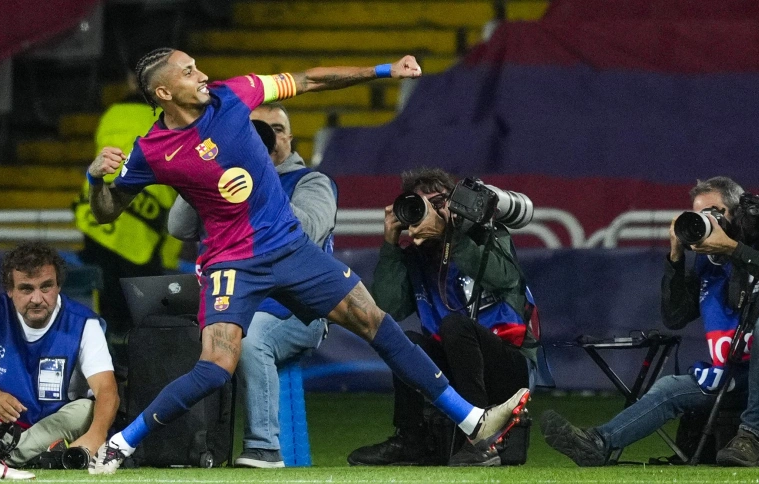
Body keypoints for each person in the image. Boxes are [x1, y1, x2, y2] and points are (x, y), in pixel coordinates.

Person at [85, 48, 529, 474]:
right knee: (215, 367)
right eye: (187, 72)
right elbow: (107, 209)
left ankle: (471, 420)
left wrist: (383, 70)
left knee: (374, 320)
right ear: (163, 93)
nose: (201, 75)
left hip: (292, 250)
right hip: (232, 265)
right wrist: (94, 179)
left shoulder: (234, 94)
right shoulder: (153, 151)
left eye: (197, 66)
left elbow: (310, 79)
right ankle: (119, 445)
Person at [540, 176, 759, 467]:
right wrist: (675, 257)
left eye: (714, 212)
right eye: (698, 215)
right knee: (671, 387)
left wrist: (733, 249)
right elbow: (675, 317)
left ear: (736, 213)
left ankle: (752, 437)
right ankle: (597, 444)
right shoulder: (710, 261)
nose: (707, 220)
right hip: (753, 375)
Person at [167, 102, 335, 468]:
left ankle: (264, 448)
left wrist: (259, 176)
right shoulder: (225, 180)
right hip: (232, 302)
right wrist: (204, 171)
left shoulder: (311, 181)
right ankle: (183, 449)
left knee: (251, 336)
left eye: (276, 129)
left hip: (297, 310)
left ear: (289, 138)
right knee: (173, 334)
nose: (267, 137)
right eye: (256, 130)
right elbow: (178, 227)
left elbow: (306, 230)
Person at [347, 168, 538, 467]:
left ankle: (479, 441)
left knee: (454, 326)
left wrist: (455, 239)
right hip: (455, 363)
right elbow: (388, 307)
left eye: (436, 203)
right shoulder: (416, 256)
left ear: (453, 205)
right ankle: (411, 440)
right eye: (418, 206)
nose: (426, 214)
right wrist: (391, 244)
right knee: (405, 341)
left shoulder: (485, 235)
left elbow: (505, 279)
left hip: (507, 364)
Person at [0, 242, 118, 474]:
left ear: (58, 286)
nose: (37, 299)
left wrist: (96, 435)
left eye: (46, 287)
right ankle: (18, 455)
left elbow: (108, 392)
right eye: (26, 289)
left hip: (53, 426)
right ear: (9, 290)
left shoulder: (84, 324)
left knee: (86, 409)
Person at [73, 69, 182, 335]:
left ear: (132, 81)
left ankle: (109, 361)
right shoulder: (173, 119)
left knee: (108, 305)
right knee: (146, 311)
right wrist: (170, 254)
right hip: (144, 221)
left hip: (99, 217)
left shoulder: (111, 114)